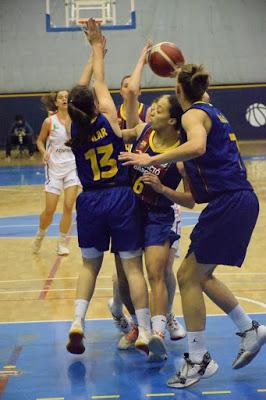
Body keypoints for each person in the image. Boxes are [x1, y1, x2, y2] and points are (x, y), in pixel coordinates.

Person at [119, 63, 266, 388]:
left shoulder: (192, 116)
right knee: (198, 275)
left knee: (187, 276)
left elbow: (197, 144)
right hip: (234, 201)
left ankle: (199, 360)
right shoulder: (208, 110)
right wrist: (163, 187)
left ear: (178, 93)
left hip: (231, 200)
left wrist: (152, 160)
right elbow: (190, 200)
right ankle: (249, 329)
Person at [65, 18, 151, 355]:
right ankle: (144, 330)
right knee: (132, 267)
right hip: (120, 197)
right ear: (95, 105)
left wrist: (93, 47)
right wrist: (97, 47)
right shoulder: (108, 117)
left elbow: (83, 88)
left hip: (90, 202)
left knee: (89, 266)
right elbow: (99, 78)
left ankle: (77, 321)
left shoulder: (75, 130)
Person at [31, 90, 80, 256]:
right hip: (53, 167)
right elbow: (39, 140)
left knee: (68, 206)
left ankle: (61, 242)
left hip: (72, 166)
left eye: (67, 97)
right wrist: (43, 151)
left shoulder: (76, 119)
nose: (64, 99)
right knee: (50, 210)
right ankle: (40, 233)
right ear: (56, 102)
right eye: (61, 97)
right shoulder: (49, 121)